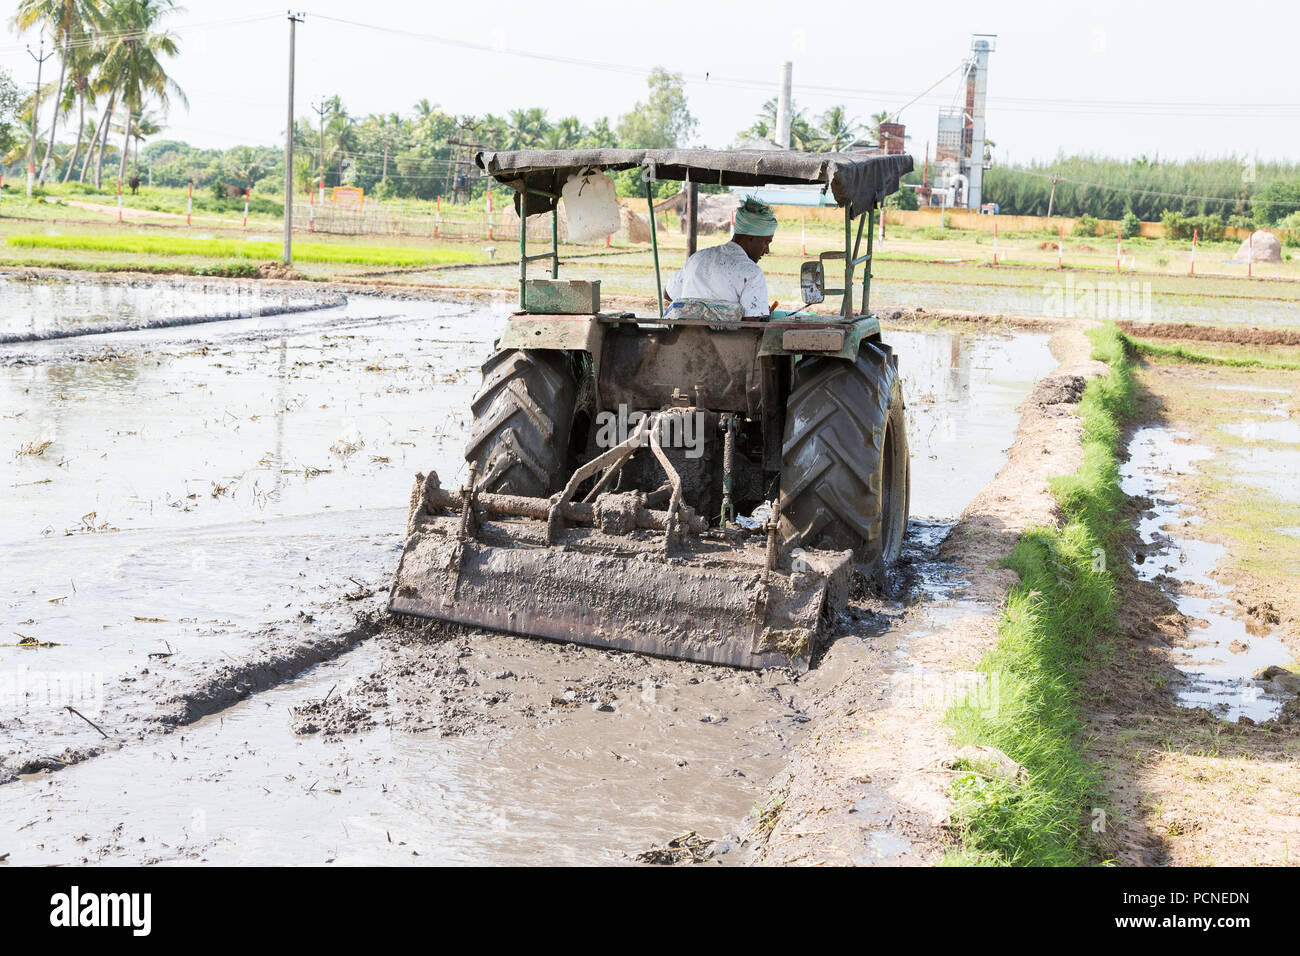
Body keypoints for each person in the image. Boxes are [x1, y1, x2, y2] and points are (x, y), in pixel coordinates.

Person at [664, 197, 779, 321]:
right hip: (725, 340)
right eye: (766, 242)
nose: (767, 250)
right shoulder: (751, 272)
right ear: (751, 238)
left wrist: (699, 308)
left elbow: (668, 294)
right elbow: (751, 326)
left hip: (684, 337)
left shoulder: (698, 258)